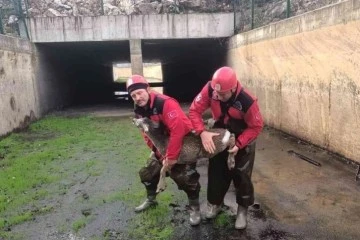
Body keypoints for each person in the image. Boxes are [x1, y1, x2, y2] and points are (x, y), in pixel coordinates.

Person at [188, 66, 263, 229]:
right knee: (216, 170)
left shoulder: (247, 101)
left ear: (233, 88)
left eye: (222, 94)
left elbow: (256, 126)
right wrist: (202, 132)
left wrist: (240, 144)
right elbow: (194, 110)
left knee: (241, 174)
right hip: (220, 133)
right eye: (216, 93)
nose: (217, 96)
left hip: (242, 136)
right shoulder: (210, 89)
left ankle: (242, 210)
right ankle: (215, 203)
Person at [127, 75, 201, 226]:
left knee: (186, 178)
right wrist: (160, 154)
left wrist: (171, 158)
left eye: (140, 93)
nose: (137, 97)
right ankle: (151, 200)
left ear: (148, 89)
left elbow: (178, 131)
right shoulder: (139, 109)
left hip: (183, 142)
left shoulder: (165, 103)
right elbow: (146, 134)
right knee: (147, 172)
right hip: (162, 145)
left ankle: (194, 208)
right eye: (133, 95)